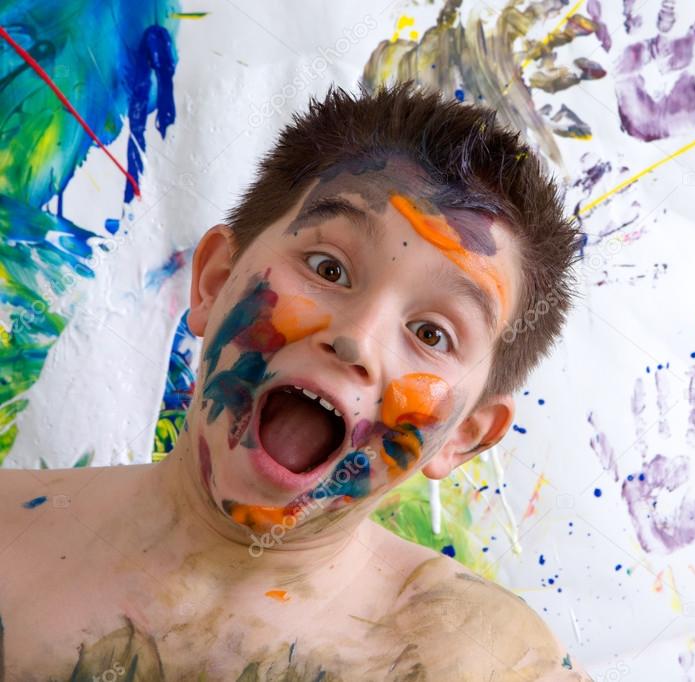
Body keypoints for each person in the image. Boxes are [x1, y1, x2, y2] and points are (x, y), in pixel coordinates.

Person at [0, 82, 589, 680]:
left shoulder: (490, 662)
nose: (358, 337)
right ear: (214, 280)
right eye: (328, 268)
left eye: (431, 334)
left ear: (465, 433)